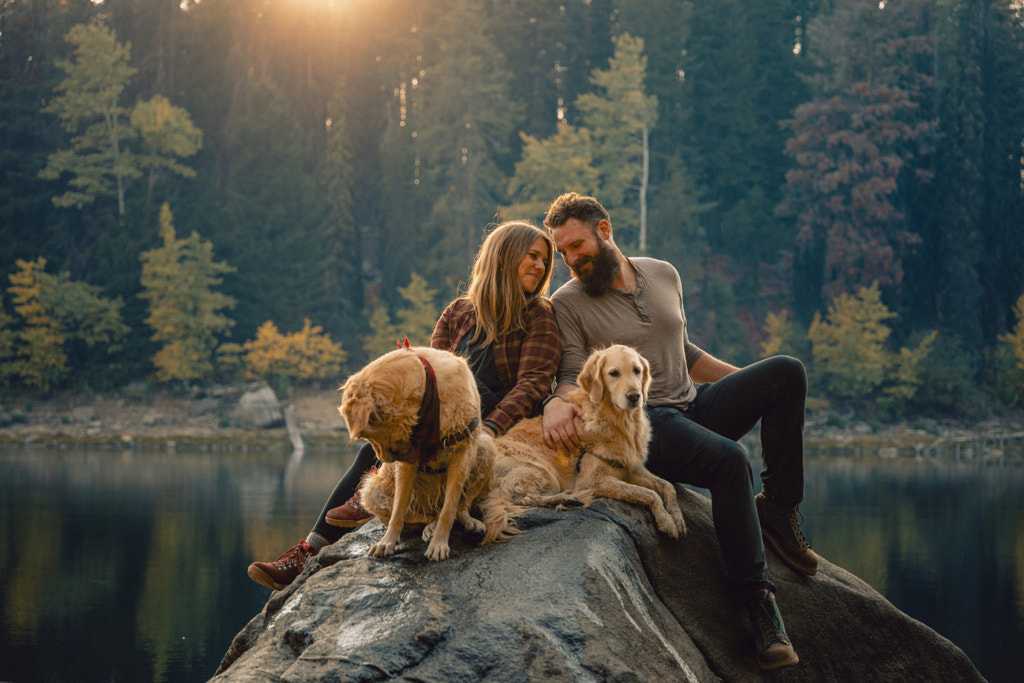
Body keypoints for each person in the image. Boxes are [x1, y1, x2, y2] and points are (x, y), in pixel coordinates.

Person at [539, 192, 817, 670]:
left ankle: (778, 510)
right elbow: (569, 374)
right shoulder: (567, 302)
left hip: (695, 403)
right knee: (731, 460)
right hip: (648, 424)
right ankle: (757, 603)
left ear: (604, 230)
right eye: (562, 251)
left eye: (577, 245)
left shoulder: (663, 273)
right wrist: (554, 404)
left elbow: (684, 353)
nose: (570, 259)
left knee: (787, 372)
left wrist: (755, 388)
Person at [248, 221, 561, 590]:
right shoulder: (458, 312)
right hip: (445, 423)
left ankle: (367, 502)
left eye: (545, 260)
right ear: (504, 257)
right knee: (383, 440)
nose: (541, 267)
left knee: (458, 383)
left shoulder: (537, 314)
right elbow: (428, 376)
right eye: (533, 256)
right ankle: (310, 548)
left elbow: (532, 385)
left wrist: (485, 430)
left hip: (496, 423)